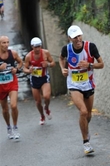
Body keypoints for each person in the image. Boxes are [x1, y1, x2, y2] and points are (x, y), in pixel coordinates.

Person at [59, 25, 104, 155]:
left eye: (79, 36)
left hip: (88, 84)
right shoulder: (66, 49)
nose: (78, 39)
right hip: (74, 84)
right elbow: (61, 59)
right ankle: (86, 143)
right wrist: (63, 69)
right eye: (74, 37)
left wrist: (89, 64)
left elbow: (101, 64)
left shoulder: (90, 47)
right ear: (70, 38)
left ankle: (85, 129)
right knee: (83, 112)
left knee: (88, 114)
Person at [23, 37, 55, 125]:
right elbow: (24, 68)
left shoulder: (45, 53)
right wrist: (29, 70)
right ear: (32, 47)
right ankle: (42, 115)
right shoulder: (28, 56)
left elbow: (53, 63)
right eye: (35, 47)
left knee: (47, 96)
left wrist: (47, 64)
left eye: (38, 47)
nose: (37, 49)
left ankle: (47, 108)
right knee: (37, 101)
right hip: (34, 79)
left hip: (44, 77)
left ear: (41, 46)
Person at [0, 35, 23, 139]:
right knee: (5, 109)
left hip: (12, 82)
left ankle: (15, 127)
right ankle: (9, 127)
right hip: (1, 85)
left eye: (7, 42)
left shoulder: (12, 53)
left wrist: (16, 69)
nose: (6, 45)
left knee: (13, 105)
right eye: (3, 43)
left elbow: (20, 62)